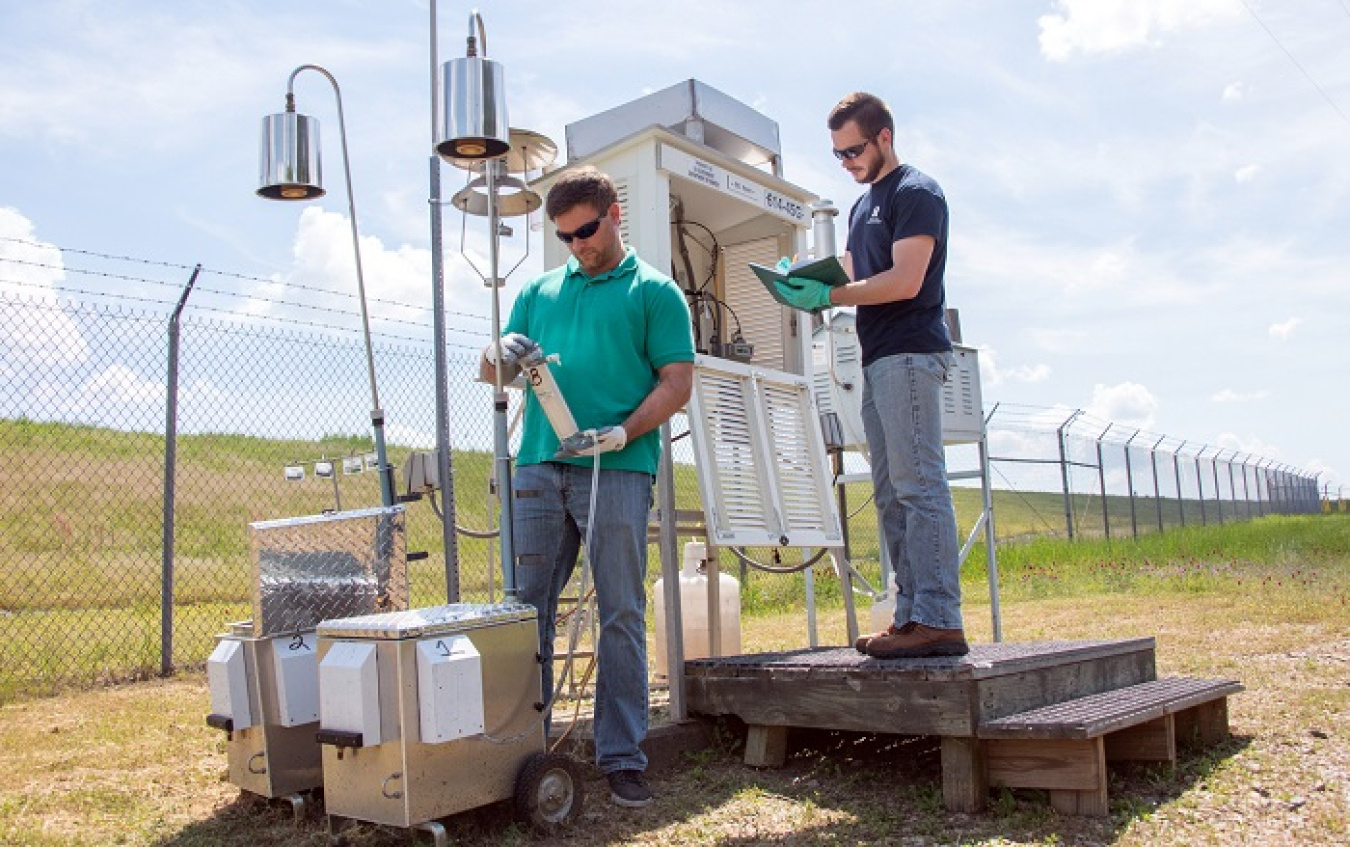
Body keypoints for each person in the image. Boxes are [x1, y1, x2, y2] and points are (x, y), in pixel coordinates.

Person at [479, 165, 695, 807]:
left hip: (620, 471)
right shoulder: (539, 292)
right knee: (524, 613)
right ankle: (520, 754)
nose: (578, 245)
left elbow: (676, 384)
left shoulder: (655, 292)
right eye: (566, 236)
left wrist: (623, 434)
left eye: (587, 231)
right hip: (540, 466)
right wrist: (497, 353)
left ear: (614, 213)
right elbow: (494, 377)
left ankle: (623, 756)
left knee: (622, 612)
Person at [774, 92, 967, 659]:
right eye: (837, 155)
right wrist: (804, 280)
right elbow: (859, 271)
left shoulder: (916, 192)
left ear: (885, 136)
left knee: (919, 486)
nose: (847, 162)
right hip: (877, 358)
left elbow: (905, 280)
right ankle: (912, 617)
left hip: (911, 352)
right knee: (888, 494)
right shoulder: (863, 207)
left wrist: (829, 293)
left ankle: (939, 617)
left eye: (854, 150)